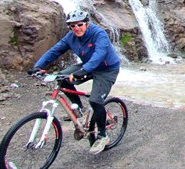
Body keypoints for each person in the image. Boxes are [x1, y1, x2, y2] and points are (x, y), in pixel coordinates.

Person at [27, 9, 121, 155]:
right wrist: (38, 66)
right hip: (87, 65)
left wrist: (83, 71)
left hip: (106, 69)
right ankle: (81, 111)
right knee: (62, 78)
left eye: (79, 24)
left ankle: (103, 136)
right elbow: (55, 51)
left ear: (87, 24)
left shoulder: (99, 34)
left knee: (96, 100)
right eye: (72, 26)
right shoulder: (71, 37)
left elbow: (99, 54)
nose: (76, 28)